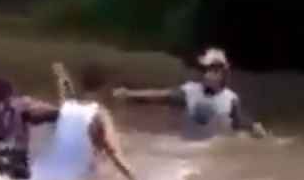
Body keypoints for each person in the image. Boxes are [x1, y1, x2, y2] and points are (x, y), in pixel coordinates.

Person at [35, 62, 146, 180]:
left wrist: (62, 77)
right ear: (106, 88)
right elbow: (114, 153)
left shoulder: (67, 107)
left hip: (43, 173)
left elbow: (65, 94)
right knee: (101, 170)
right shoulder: (99, 115)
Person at [111, 47, 268, 139]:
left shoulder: (231, 99)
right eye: (204, 69)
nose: (206, 74)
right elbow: (160, 96)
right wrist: (130, 95)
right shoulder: (189, 92)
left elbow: (240, 122)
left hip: (215, 153)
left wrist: (255, 129)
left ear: (223, 73)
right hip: (187, 151)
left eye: (212, 70)